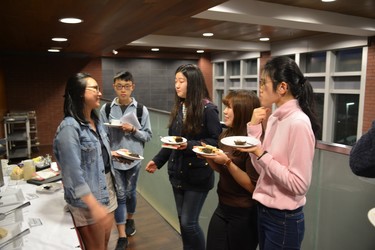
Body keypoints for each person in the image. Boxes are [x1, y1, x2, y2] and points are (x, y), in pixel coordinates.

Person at [240, 56, 321, 250]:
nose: (259, 88)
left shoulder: (298, 123)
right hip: (265, 210)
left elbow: (299, 185)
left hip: (284, 219)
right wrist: (253, 129)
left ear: (282, 87)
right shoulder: (276, 118)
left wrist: (262, 153)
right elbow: (262, 169)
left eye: (263, 82)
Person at [145, 64, 222, 250]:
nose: (176, 85)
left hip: (198, 175)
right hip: (177, 172)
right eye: (175, 81)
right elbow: (172, 141)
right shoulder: (180, 106)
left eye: (181, 81)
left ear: (193, 83)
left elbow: (214, 142)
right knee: (183, 223)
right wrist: (157, 160)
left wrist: (189, 145)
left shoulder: (208, 109)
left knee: (189, 223)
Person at [53, 72, 118, 250]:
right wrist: (93, 205)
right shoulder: (69, 127)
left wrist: (115, 154)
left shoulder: (97, 120)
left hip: (108, 190)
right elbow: (72, 172)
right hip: (88, 199)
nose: (99, 93)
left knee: (104, 244)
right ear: (80, 93)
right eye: (95, 88)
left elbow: (96, 155)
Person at [198, 90, 260, 250]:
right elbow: (222, 170)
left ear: (242, 111)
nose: (224, 111)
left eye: (229, 107)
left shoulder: (253, 142)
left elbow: (252, 186)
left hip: (244, 213)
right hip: (223, 206)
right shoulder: (226, 135)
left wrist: (227, 163)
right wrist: (209, 157)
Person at [99, 71, 152, 250]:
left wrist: (133, 130)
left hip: (134, 159)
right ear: (114, 87)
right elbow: (102, 135)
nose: (123, 90)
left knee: (130, 193)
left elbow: (147, 136)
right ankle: (122, 236)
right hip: (115, 159)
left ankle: (130, 219)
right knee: (120, 195)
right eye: (120, 86)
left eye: (127, 86)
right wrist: (111, 152)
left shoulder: (140, 109)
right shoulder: (106, 109)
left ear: (132, 87)